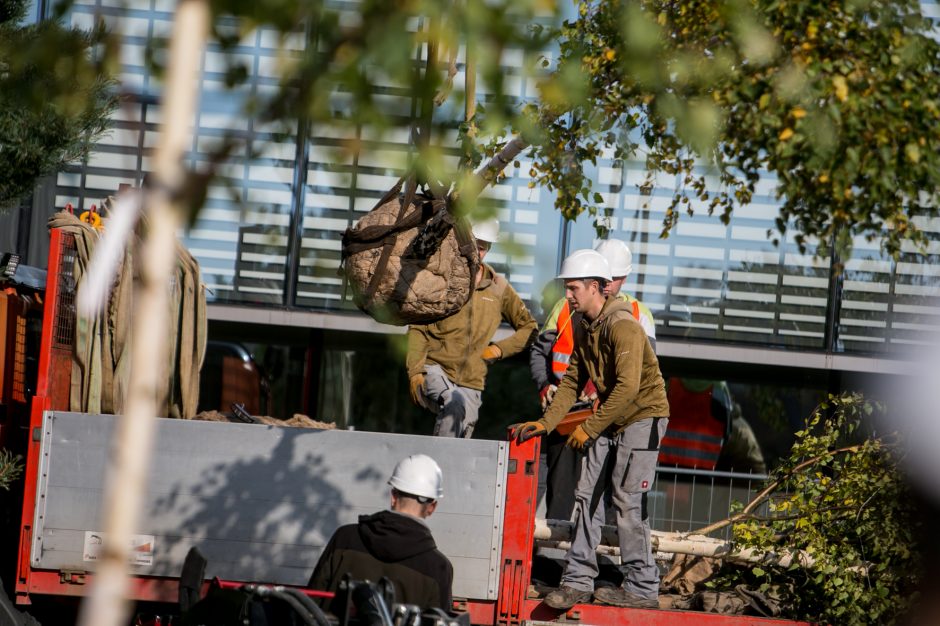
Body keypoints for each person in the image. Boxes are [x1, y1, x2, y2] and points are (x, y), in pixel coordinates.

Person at [512, 248, 670, 610]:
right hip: (610, 416)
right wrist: (546, 423)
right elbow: (572, 380)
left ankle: (643, 588)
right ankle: (578, 580)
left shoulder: (624, 326)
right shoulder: (584, 325)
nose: (568, 295)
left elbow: (629, 390)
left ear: (598, 287)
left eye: (574, 288)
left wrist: (590, 427)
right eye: (567, 287)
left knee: (628, 502)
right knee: (587, 498)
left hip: (643, 417)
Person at [529, 239, 656, 521]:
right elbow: (556, 362)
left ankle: (609, 561)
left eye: (615, 277)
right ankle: (561, 561)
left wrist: (599, 411)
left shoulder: (635, 316)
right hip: (567, 414)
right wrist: (545, 399)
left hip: (614, 418)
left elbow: (634, 381)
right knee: (566, 494)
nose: (609, 283)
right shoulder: (571, 310)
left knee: (614, 497)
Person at [407, 217, 537, 437]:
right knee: (452, 404)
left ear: (490, 248)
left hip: (472, 380)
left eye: (483, 248)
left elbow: (530, 329)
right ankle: (436, 467)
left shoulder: (498, 288)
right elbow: (419, 327)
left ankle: (443, 469)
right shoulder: (442, 278)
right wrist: (415, 371)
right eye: (475, 245)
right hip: (435, 368)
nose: (478, 252)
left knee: (463, 430)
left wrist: (498, 349)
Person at [307, 454, 454, 612]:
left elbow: (310, 605)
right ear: (432, 507)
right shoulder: (439, 568)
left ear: (393, 496)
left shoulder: (345, 538)